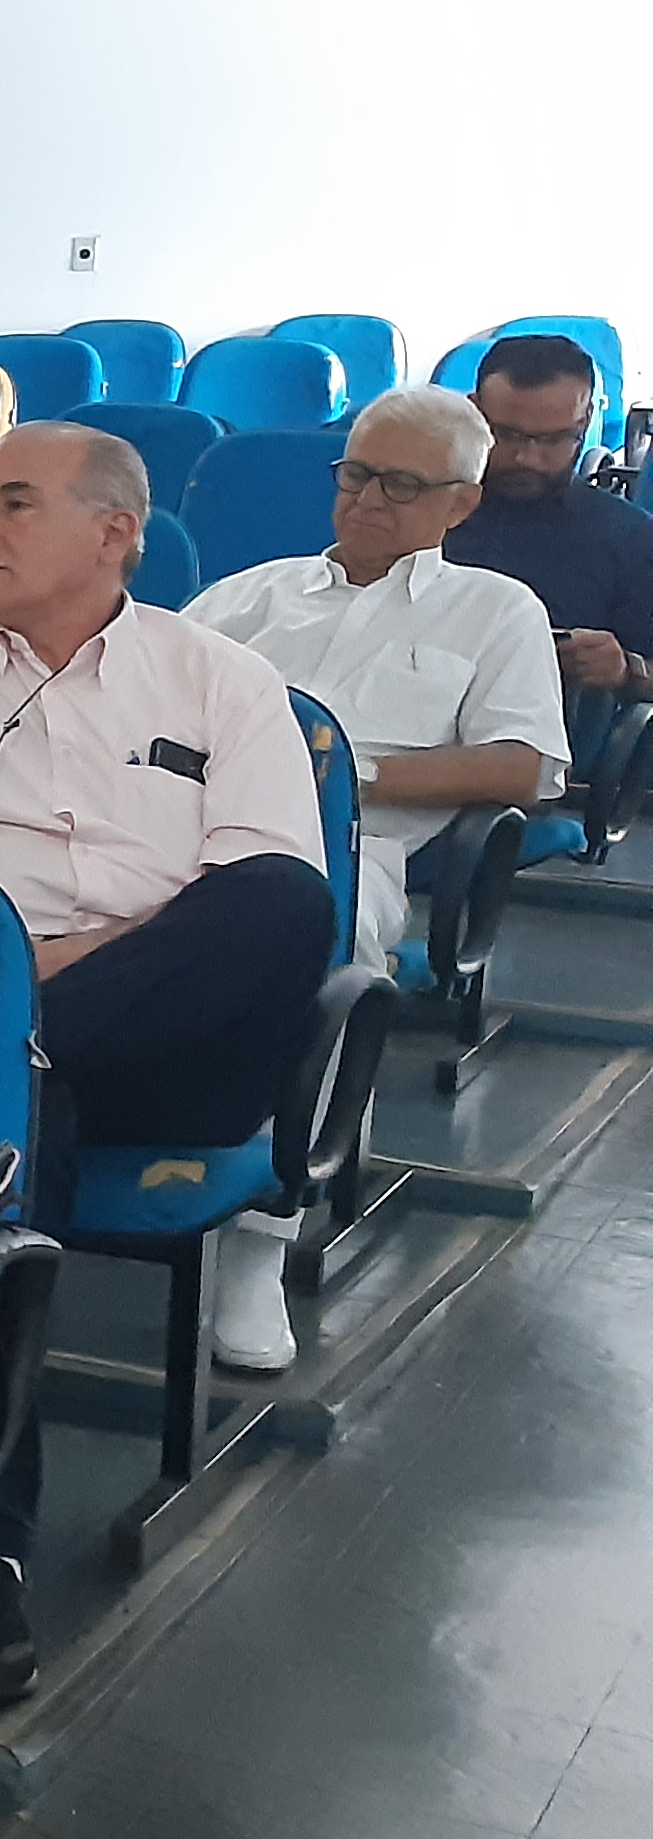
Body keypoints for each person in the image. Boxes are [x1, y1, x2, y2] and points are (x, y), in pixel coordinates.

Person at [0, 421, 331, 1702]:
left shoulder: (218, 679)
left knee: (277, 905)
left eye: (15, 503)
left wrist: (56, 963)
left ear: (115, 533)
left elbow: (257, 893)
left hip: (155, 1033)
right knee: (18, 1105)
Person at [178, 385, 555, 1370]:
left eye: (400, 483)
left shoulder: (494, 610)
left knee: (325, 935)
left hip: (347, 847)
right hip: (181, 825)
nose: (367, 500)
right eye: (355, 474)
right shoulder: (248, 596)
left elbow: (523, 764)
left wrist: (348, 774)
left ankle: (265, 1230)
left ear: (459, 503)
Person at [440, 333, 653, 702]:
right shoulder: (417, 506)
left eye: (555, 439)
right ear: (473, 411)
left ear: (585, 421)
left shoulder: (631, 538)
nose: (527, 457)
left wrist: (627, 670)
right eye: (506, 434)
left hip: (548, 731)